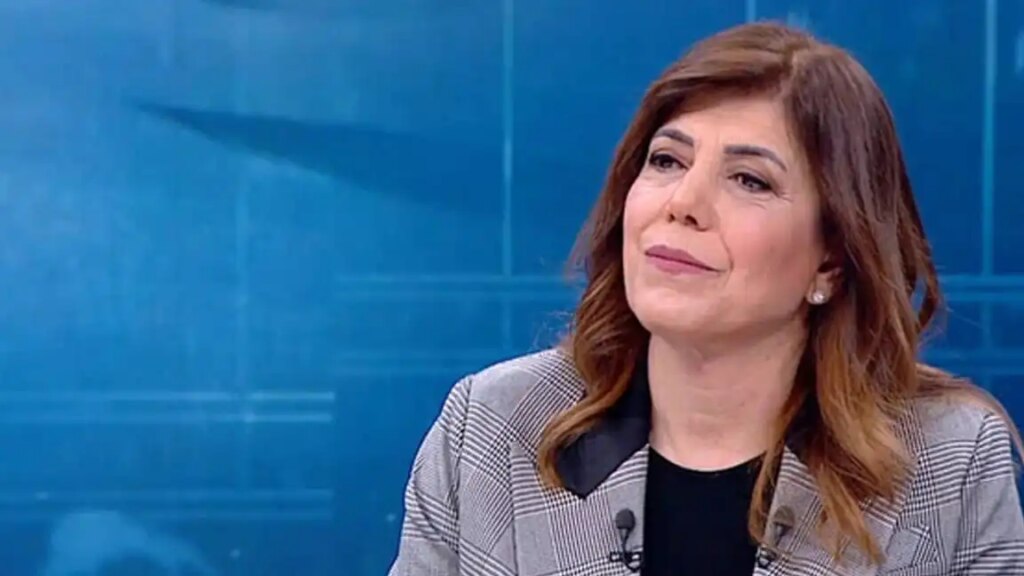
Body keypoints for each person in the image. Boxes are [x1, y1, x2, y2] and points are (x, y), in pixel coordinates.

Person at [388, 21, 1024, 576]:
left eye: (749, 179)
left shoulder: (949, 461)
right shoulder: (492, 429)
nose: (683, 203)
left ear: (831, 259)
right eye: (667, 161)